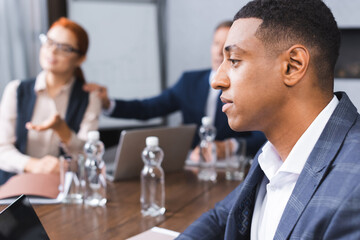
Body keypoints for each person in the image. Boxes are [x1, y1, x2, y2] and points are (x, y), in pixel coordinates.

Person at [177, 0, 360, 239]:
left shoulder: (354, 186)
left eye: (234, 61)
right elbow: (221, 217)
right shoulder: (273, 153)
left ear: (292, 66)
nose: (217, 80)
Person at [84, 21, 266, 158]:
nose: (219, 51)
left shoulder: (248, 88)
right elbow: (148, 108)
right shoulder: (189, 82)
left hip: (233, 170)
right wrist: (108, 104)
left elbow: (263, 137)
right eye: (216, 44)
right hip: (194, 168)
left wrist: (228, 147)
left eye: (227, 46)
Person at [0, 17, 101, 185]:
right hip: (15, 187)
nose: (52, 51)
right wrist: (34, 165)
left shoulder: (90, 97)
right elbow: (2, 149)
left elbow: (89, 157)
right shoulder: (16, 90)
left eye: (64, 48)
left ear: (80, 59)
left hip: (64, 189)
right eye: (49, 42)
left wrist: (64, 132)